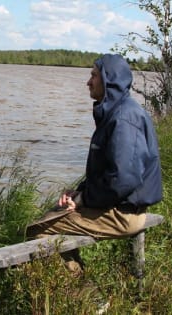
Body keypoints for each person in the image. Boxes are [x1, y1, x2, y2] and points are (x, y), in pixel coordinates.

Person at [26, 54, 163, 274]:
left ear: (109, 80)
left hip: (123, 214)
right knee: (57, 212)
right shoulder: (118, 111)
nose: (88, 81)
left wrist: (83, 200)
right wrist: (77, 193)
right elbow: (108, 170)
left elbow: (123, 179)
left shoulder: (123, 119)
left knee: (39, 229)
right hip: (120, 206)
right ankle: (79, 287)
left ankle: (81, 295)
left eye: (94, 75)